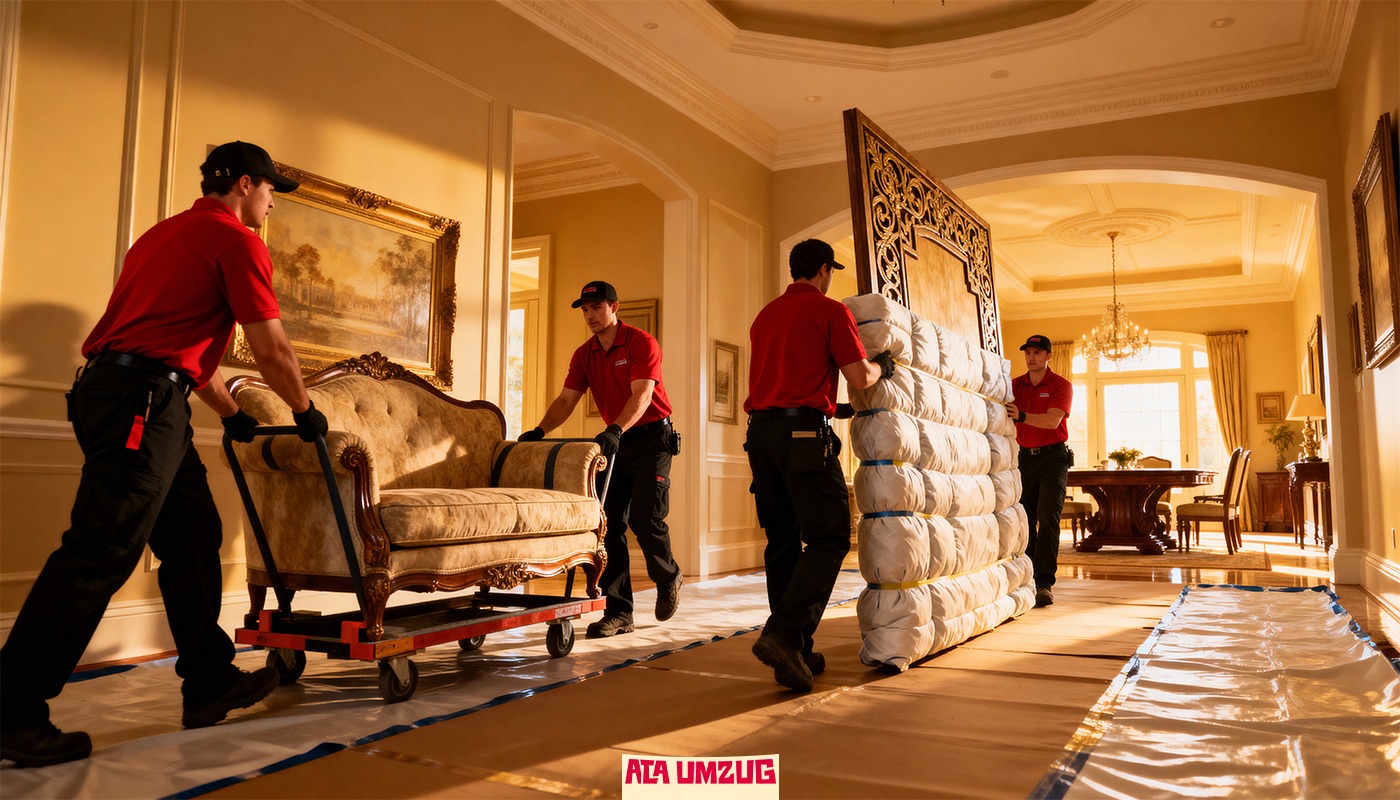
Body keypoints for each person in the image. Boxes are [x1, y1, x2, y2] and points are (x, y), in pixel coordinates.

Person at [0, 141, 329, 768]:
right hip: (143, 403)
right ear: (243, 184)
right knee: (102, 547)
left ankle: (209, 680)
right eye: (269, 190)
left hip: (137, 395)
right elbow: (272, 350)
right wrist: (304, 411)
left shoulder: (159, 238)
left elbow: (175, 345)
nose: (271, 204)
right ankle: (11, 709)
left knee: (193, 534)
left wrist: (231, 415)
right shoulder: (236, 241)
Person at [743, 239, 893, 692]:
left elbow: (786, 379)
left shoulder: (765, 315)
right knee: (829, 536)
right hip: (803, 437)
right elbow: (859, 376)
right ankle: (785, 633)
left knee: (782, 541)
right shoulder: (830, 311)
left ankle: (797, 650)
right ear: (824, 270)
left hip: (761, 436)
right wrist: (882, 367)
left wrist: (829, 407)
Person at [518, 280, 682, 639]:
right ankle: (619, 612)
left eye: (596, 307)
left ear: (614, 307)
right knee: (607, 526)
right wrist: (539, 430)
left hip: (651, 439)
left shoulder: (641, 343)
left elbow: (642, 395)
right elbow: (566, 400)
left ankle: (668, 575)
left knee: (645, 517)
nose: (590, 315)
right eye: (585, 309)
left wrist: (616, 428)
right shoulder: (585, 354)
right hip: (615, 442)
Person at [1004, 334, 1073, 608]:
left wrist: (1021, 416)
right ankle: (1028, 577)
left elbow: (1052, 421)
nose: (1031, 357)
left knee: (1048, 516)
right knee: (1026, 518)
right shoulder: (1014, 385)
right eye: (1028, 352)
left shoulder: (1060, 385)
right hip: (1024, 459)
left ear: (1048, 356)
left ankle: (1044, 583)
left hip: (1054, 458)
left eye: (1037, 352)